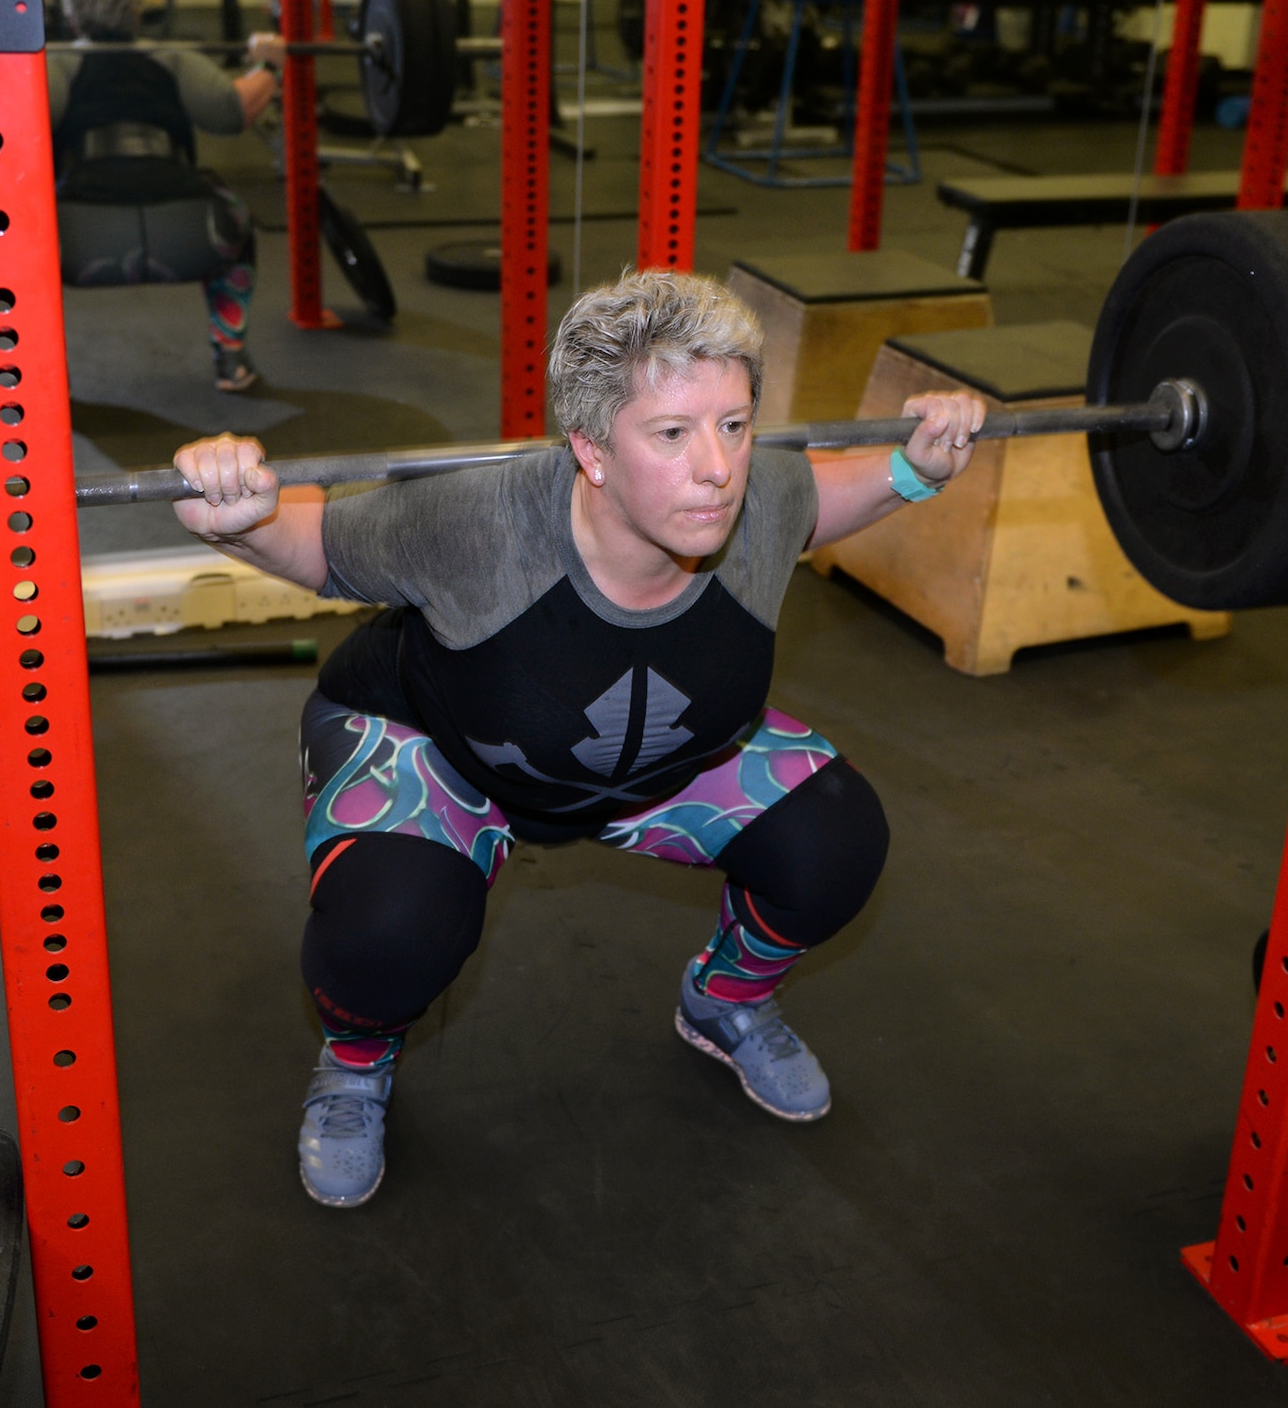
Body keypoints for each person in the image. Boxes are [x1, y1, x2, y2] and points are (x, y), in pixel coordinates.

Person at [172, 272, 989, 1207]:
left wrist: (916, 468)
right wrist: (243, 521)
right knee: (392, 931)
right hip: (444, 751)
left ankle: (722, 1001)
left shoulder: (760, 500)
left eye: (734, 423)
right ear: (592, 450)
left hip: (650, 770)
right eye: (673, 434)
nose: (717, 467)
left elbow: (818, 499)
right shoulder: (475, 523)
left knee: (837, 839)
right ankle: (355, 1064)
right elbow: (320, 547)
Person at [47, 0, 283, 391]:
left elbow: (11, 126)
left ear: (70, 16)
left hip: (78, 245)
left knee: (17, 245)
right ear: (138, 11)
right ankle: (231, 357)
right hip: (190, 234)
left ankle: (42, 378)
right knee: (238, 223)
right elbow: (234, 111)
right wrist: (268, 63)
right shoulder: (174, 58)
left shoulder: (52, 64)